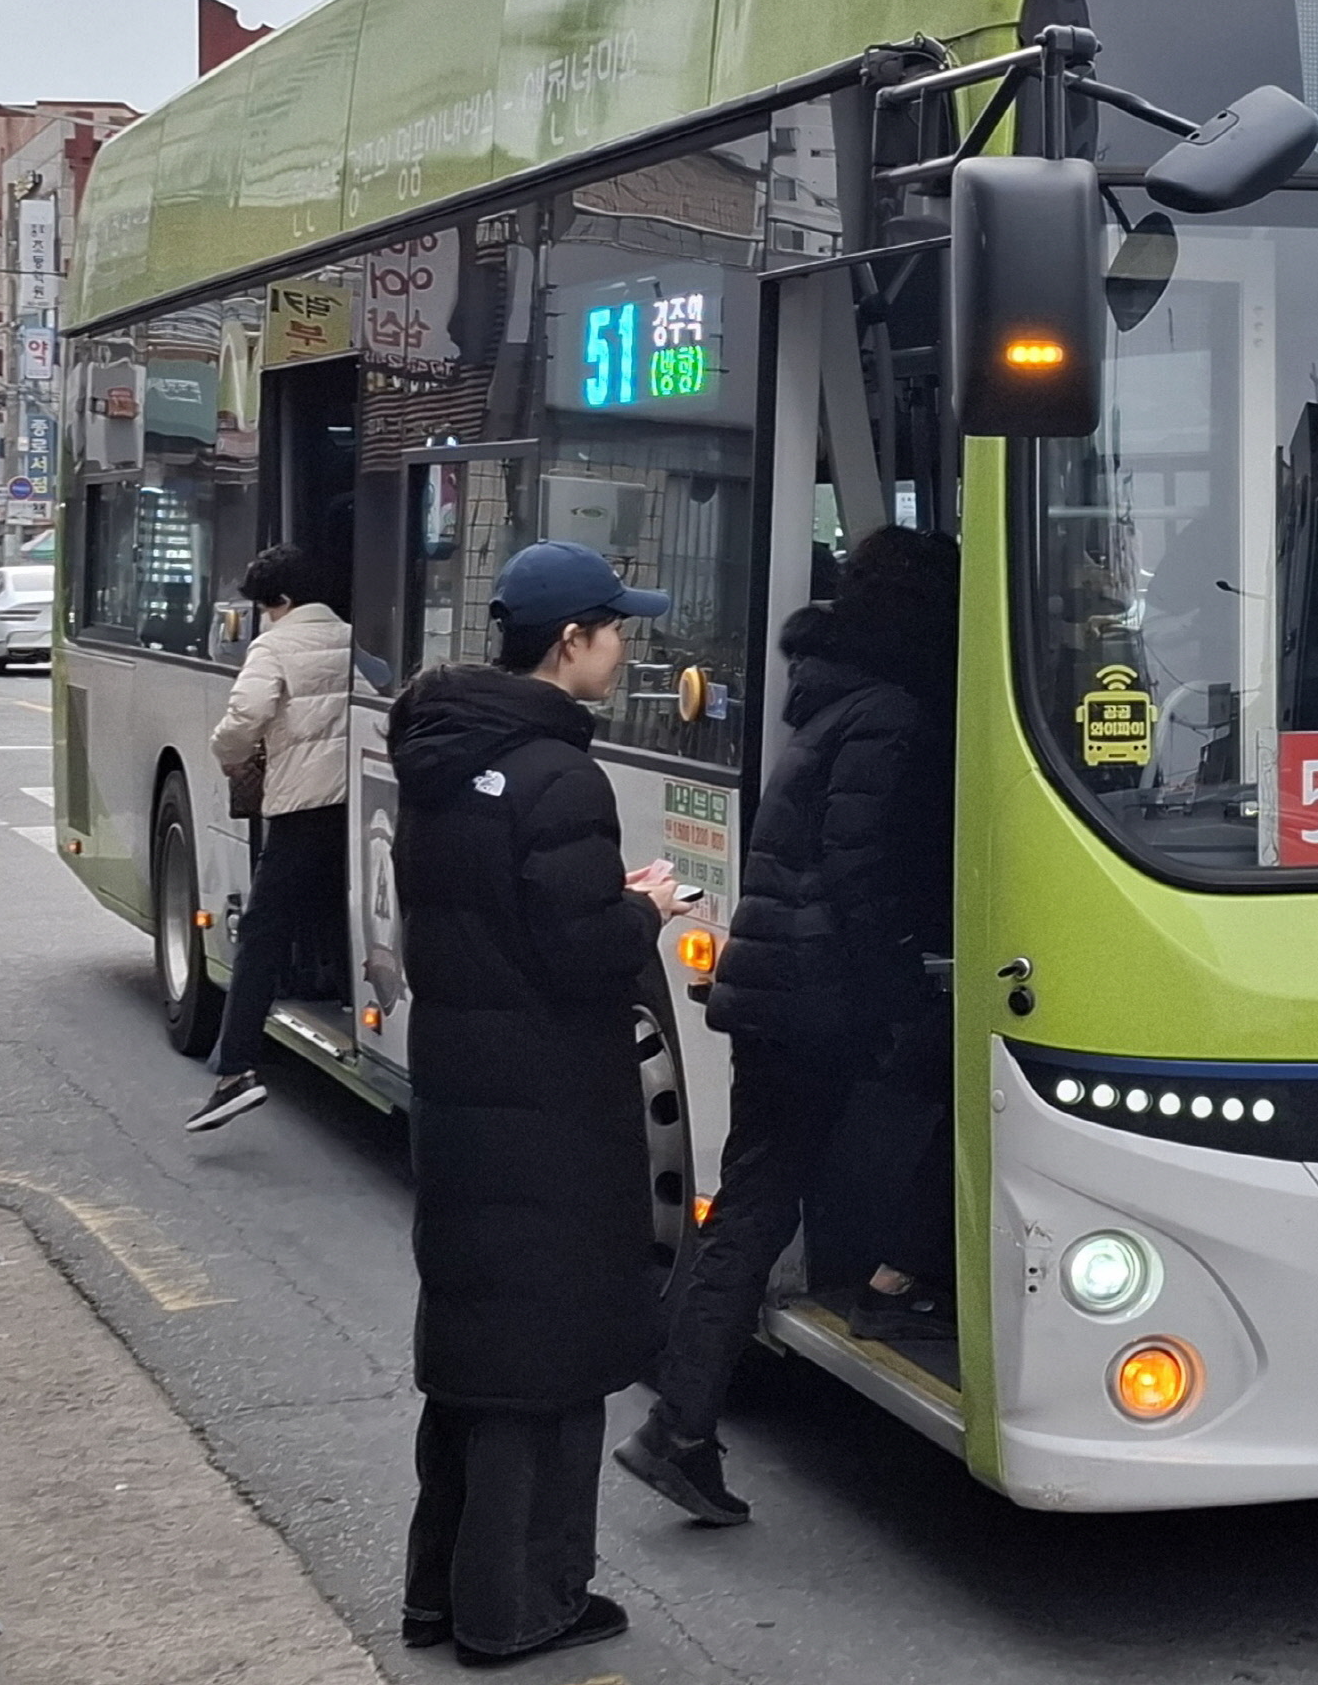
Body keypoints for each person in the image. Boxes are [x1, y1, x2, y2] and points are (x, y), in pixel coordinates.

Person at [616, 525, 960, 1529]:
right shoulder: (890, 713)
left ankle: (678, 1416)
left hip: (778, 985)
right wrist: (901, 981)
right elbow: (860, 874)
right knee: (767, 1199)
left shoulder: (829, 693)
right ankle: (679, 1424)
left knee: (761, 1194)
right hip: (815, 992)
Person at [389, 540, 687, 1666]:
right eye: (617, 629)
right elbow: (578, 954)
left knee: (473, 1346)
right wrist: (644, 905)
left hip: (464, 1091)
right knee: (550, 1357)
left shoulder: (442, 751)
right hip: (552, 1107)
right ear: (572, 640)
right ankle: (522, 1605)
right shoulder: (563, 775)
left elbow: (477, 924)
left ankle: (441, 1593)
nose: (625, 648)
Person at [185, 543, 351, 1133]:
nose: (262, 615)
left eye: (264, 605)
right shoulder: (355, 638)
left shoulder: (275, 645)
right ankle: (353, 1006)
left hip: (301, 805)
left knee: (262, 932)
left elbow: (244, 718)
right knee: (337, 904)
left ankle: (236, 1072)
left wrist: (228, 756)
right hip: (351, 804)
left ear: (279, 600)